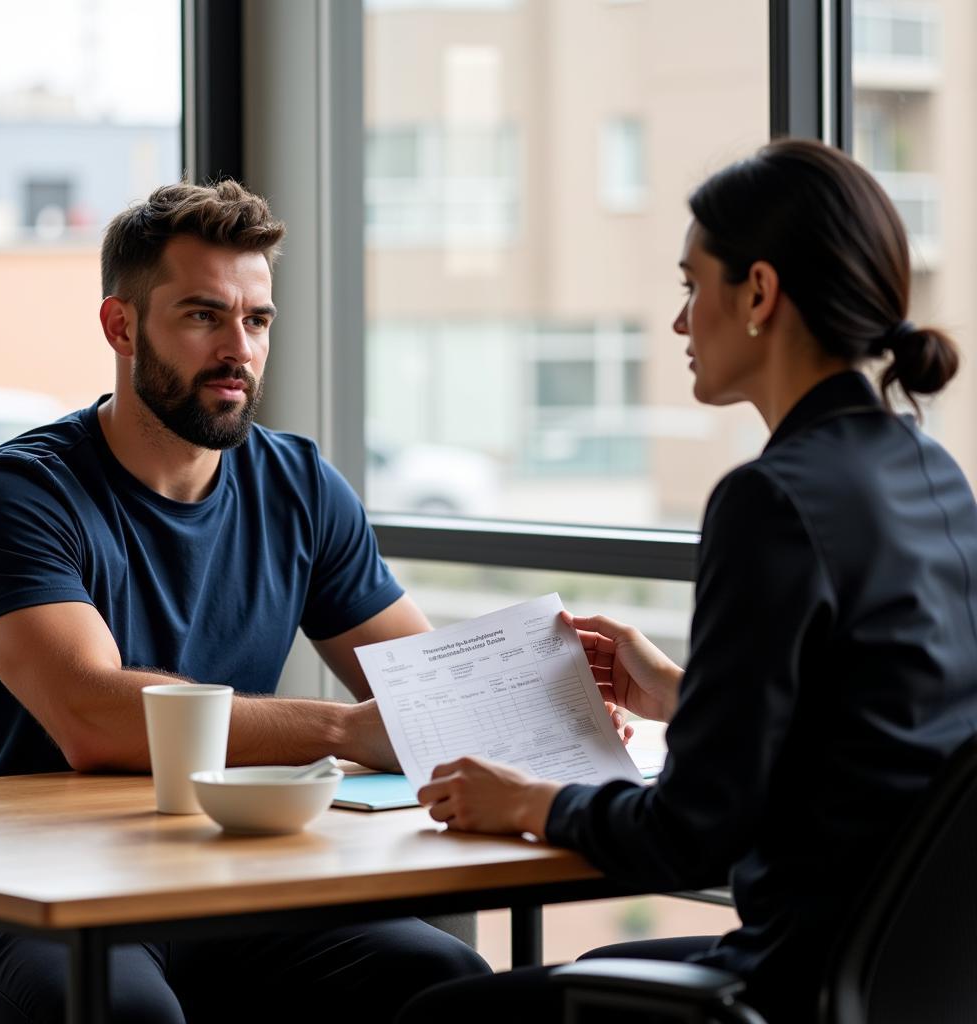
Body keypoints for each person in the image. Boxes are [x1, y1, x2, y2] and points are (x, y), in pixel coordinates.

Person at [398, 138, 977, 1024]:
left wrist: (531, 801)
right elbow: (873, 731)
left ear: (757, 293)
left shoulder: (772, 498)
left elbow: (689, 836)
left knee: (435, 1015)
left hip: (796, 979)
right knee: (603, 965)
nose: (678, 324)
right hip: (904, 978)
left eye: (689, 285)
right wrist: (679, 693)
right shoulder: (930, 471)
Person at [0, 180, 488, 1022]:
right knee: (126, 1013)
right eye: (204, 316)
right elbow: (94, 717)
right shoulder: (19, 495)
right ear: (121, 327)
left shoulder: (301, 485)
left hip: (230, 877)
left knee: (444, 980)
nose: (239, 348)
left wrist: (548, 682)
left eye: (257, 320)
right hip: (39, 893)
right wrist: (346, 729)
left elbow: (421, 686)